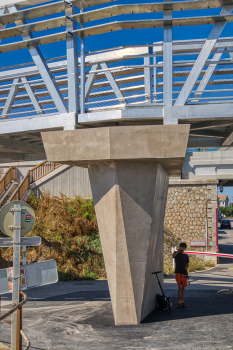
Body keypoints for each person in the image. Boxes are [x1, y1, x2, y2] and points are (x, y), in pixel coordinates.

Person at [172, 242, 189, 309]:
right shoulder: (177, 254)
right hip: (178, 272)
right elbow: (173, 256)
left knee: (184, 287)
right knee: (180, 287)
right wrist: (179, 250)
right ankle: (179, 301)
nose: (183, 249)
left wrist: (187, 267)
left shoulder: (186, 255)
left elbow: (187, 263)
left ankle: (182, 300)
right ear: (180, 247)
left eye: (184, 248)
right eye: (182, 247)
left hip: (184, 273)